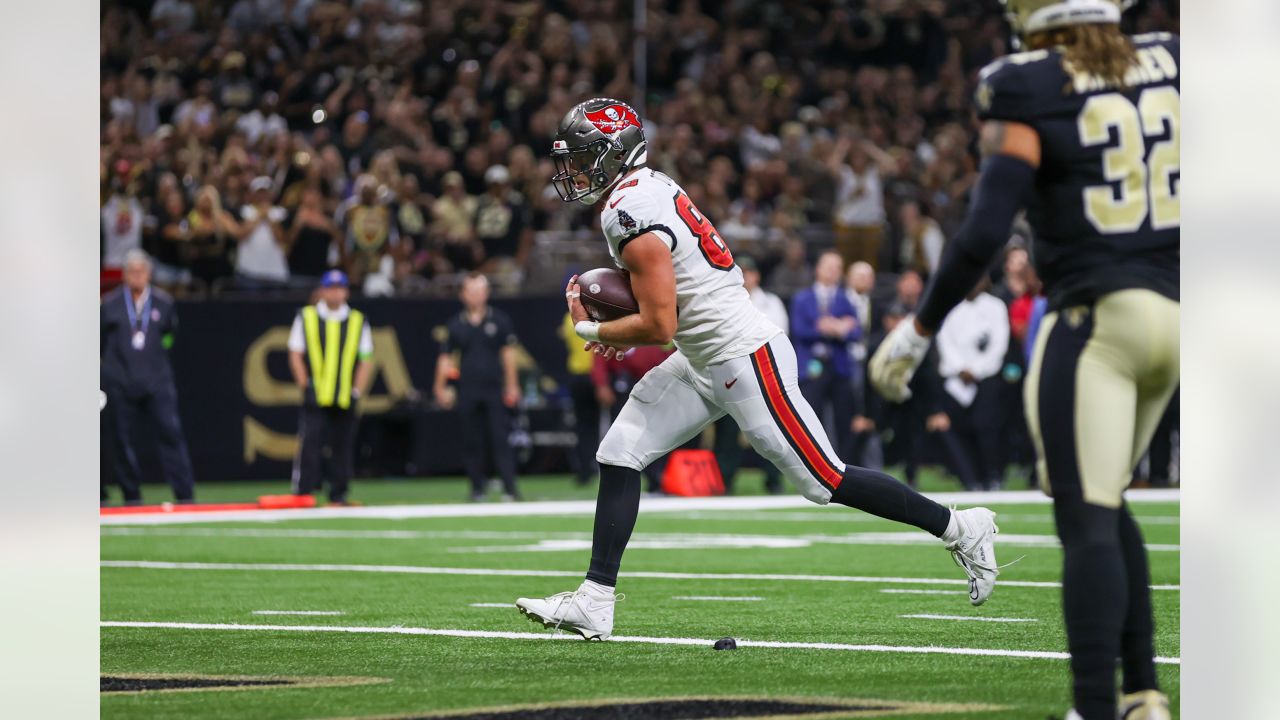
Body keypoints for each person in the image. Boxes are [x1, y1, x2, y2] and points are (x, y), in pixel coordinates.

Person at [516, 98, 999, 642]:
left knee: (825, 480)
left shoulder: (628, 211)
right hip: (703, 357)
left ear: (616, 153)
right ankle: (595, 600)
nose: (574, 171)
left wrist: (594, 330)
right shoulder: (646, 187)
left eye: (584, 157)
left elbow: (656, 324)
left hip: (745, 357)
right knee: (620, 451)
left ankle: (962, 527)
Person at [869, 7, 1179, 718]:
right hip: (1177, 311)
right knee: (1107, 498)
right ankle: (1142, 696)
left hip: (1098, 319)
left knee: (1085, 517)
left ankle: (1096, 705)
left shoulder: (1024, 83)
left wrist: (919, 328)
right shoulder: (1179, 59)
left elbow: (983, 230)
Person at [100, 250, 195, 505]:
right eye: (132, 271)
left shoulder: (164, 303)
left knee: (170, 434)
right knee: (120, 440)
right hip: (119, 381)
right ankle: (131, 495)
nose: (137, 276)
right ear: (124, 275)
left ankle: (185, 495)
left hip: (156, 381)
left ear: (149, 274)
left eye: (141, 271)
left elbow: (169, 337)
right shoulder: (109, 304)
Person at [433, 274, 522, 502]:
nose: (475, 296)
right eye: (470, 291)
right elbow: (445, 357)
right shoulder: (455, 325)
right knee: (471, 439)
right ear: (463, 294)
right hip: (467, 389)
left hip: (494, 388)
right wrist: (440, 386)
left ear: (486, 293)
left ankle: (510, 487)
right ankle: (477, 488)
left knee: (500, 438)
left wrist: (512, 384)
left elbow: (508, 355)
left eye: (479, 291)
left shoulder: (500, 321)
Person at [287, 270, 373, 506]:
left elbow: (366, 359)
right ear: (322, 290)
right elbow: (295, 354)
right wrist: (305, 385)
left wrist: (356, 390)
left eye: (340, 287)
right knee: (310, 444)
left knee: (342, 446)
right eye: (331, 287)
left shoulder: (357, 320)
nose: (335, 292)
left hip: (344, 394)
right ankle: (303, 492)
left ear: (346, 290)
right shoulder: (307, 317)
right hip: (316, 392)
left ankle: (339, 493)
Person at [714, 256, 787, 494]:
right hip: (731, 373)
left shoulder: (771, 302)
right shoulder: (723, 300)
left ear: (757, 275)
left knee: (769, 429)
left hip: (763, 373)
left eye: (750, 272)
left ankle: (773, 479)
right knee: (727, 432)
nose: (746, 278)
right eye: (742, 272)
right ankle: (724, 479)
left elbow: (779, 335)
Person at [934, 280, 1011, 491]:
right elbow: (944, 340)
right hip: (955, 379)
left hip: (986, 378)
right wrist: (960, 368)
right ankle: (971, 478)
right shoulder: (951, 304)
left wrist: (976, 370)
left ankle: (993, 475)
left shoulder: (995, 306)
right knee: (960, 429)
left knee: (987, 428)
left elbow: (999, 344)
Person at [790, 250, 861, 459]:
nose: (832, 271)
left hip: (839, 367)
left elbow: (856, 332)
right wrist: (835, 328)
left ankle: (848, 469)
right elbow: (799, 330)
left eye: (837, 267)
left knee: (845, 420)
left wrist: (833, 327)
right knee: (812, 419)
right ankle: (814, 464)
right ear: (818, 269)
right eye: (828, 266)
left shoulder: (846, 299)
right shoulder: (802, 298)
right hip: (811, 367)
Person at [561, 310, 599, 486]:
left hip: (577, 375)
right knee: (599, 424)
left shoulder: (567, 318)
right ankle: (593, 466)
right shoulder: (595, 316)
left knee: (583, 425)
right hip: (594, 373)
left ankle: (585, 470)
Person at [235, 176, 290, 288]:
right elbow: (241, 234)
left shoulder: (281, 213)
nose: (263, 196)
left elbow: (282, 239)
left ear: (272, 194)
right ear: (253, 194)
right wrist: (259, 215)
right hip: (249, 271)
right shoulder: (244, 211)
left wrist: (269, 217)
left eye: (266, 193)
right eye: (260, 193)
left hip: (275, 273)